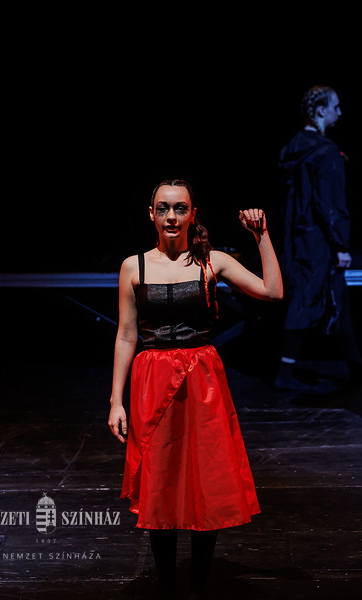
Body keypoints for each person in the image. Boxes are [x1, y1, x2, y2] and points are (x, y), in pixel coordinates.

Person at [107, 179, 282, 599]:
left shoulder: (212, 261)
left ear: (192, 214)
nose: (171, 217)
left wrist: (262, 237)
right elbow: (127, 335)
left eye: (180, 208)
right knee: (161, 481)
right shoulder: (134, 266)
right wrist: (116, 400)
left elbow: (273, 292)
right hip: (152, 379)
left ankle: (199, 587)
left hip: (202, 378)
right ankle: (168, 587)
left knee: (206, 477)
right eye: (163, 208)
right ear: (151, 214)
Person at [275, 85, 362, 391]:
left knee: (338, 296)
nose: (340, 112)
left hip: (297, 236)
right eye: (335, 107)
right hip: (318, 239)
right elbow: (330, 203)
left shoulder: (292, 148)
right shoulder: (325, 152)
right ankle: (284, 374)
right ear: (321, 111)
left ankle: (356, 364)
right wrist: (340, 245)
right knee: (305, 299)